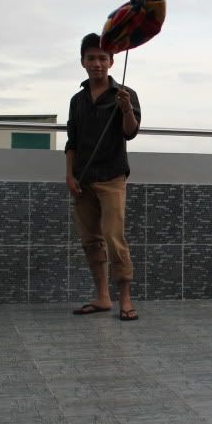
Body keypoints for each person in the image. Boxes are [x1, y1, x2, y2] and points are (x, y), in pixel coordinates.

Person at [65, 33, 142, 320]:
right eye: (91, 58)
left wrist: (126, 108)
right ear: (82, 62)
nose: (97, 63)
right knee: (90, 240)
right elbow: (72, 141)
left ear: (111, 61)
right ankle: (102, 297)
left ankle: (125, 299)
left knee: (114, 237)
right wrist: (69, 176)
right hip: (82, 179)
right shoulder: (77, 100)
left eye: (102, 58)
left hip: (112, 177)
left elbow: (130, 132)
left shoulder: (125, 94)